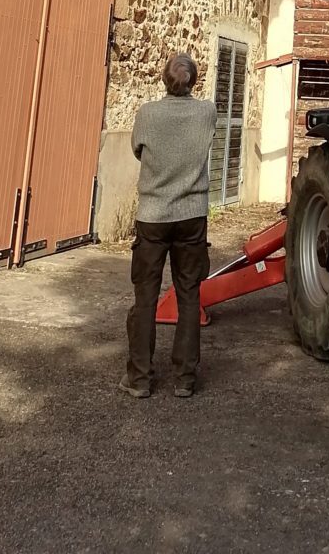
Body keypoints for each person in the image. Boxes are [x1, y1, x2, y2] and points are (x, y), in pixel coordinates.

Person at [122, 53, 216, 400]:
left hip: (153, 215)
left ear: (164, 80)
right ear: (194, 81)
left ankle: (140, 378)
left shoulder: (148, 113)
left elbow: (137, 150)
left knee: (145, 297)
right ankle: (185, 378)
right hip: (192, 215)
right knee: (189, 296)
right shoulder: (207, 111)